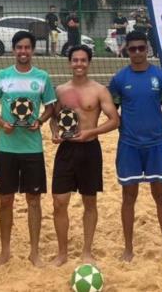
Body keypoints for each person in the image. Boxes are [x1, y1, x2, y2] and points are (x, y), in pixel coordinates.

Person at [45, 44, 120, 266]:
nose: (79, 64)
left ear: (89, 63)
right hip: (66, 150)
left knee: (89, 202)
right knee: (59, 202)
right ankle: (62, 253)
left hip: (90, 149)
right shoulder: (60, 90)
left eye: (83, 60)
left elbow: (115, 121)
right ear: (70, 63)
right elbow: (53, 117)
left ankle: (87, 251)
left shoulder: (99, 90)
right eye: (75, 60)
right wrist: (54, 131)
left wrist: (91, 132)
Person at [108, 30, 162, 263]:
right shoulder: (119, 79)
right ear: (126, 50)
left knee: (161, 196)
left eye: (141, 48)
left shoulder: (161, 77)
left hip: (156, 144)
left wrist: (154, 125)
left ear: (147, 49)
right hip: (129, 145)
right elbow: (113, 112)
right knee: (129, 196)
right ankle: (128, 248)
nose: (137, 52)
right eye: (132, 48)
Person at [0, 30, 56, 267]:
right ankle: (5, 250)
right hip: (7, 147)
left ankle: (34, 252)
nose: (23, 51)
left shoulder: (43, 77)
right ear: (14, 49)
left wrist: (40, 121)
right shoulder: (2, 75)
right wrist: (2, 123)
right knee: (5, 200)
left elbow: (50, 108)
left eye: (27, 47)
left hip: (32, 148)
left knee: (34, 200)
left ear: (33, 50)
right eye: (19, 47)